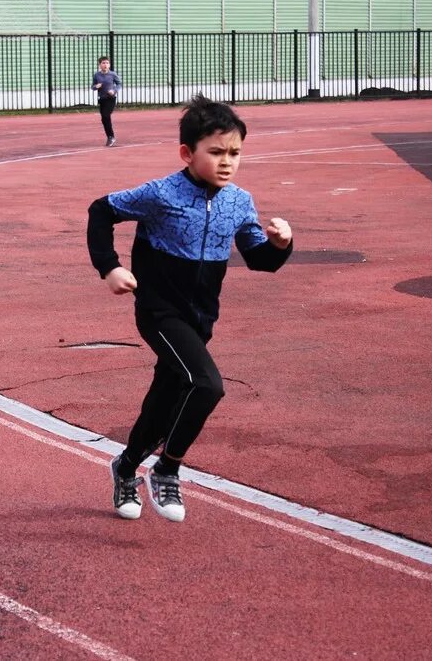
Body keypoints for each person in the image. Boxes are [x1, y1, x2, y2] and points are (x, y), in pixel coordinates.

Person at [86, 94, 293, 522]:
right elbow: (100, 211)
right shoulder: (161, 194)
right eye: (215, 152)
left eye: (235, 152)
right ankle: (167, 469)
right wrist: (110, 268)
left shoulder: (239, 201)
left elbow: (259, 259)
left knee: (167, 400)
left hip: (201, 318)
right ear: (187, 153)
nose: (227, 161)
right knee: (207, 385)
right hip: (160, 312)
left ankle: (125, 467)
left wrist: (280, 244)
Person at [92, 56, 122, 147]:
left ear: (109, 65)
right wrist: (96, 86)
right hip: (102, 99)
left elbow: (119, 84)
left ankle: (111, 137)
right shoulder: (97, 75)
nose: (105, 65)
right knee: (104, 119)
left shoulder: (112, 74)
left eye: (107, 63)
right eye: (103, 63)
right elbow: (92, 86)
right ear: (100, 65)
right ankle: (110, 137)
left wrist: (114, 90)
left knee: (106, 115)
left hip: (111, 99)